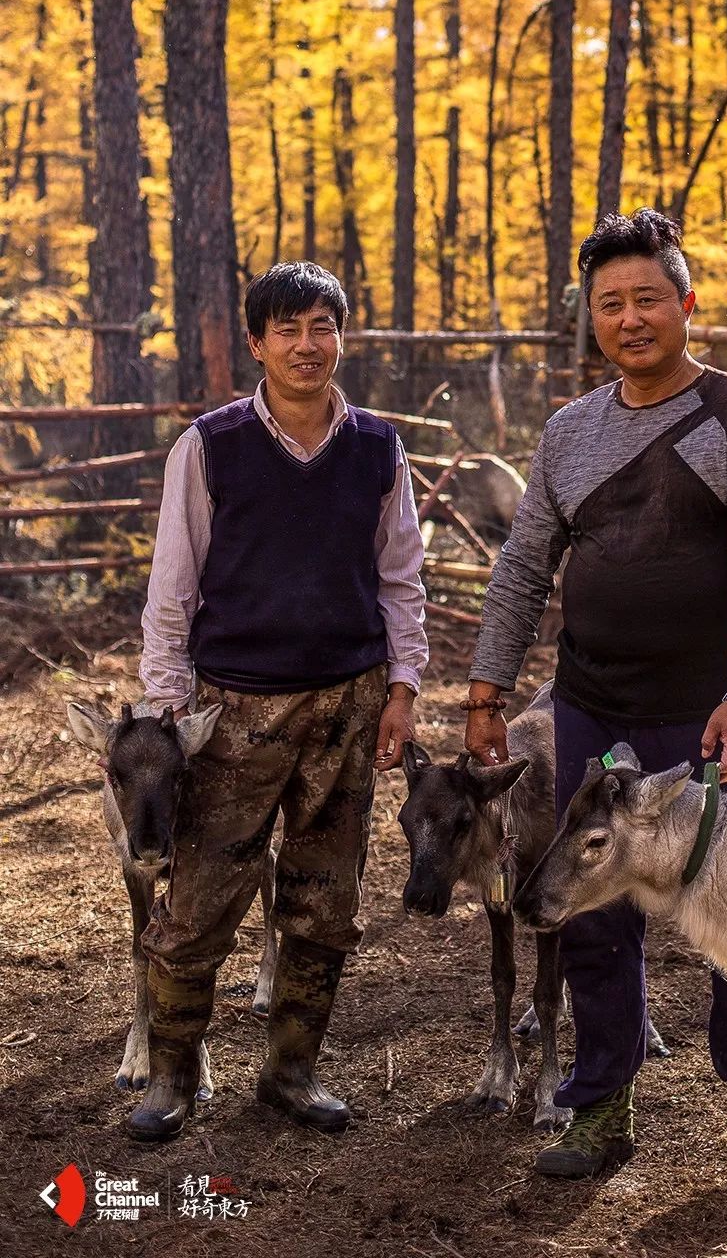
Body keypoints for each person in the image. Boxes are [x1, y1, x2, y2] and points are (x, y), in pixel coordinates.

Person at [464, 210, 727, 1191]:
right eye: (609, 304)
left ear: (686, 303)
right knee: (590, 916)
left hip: (707, 714)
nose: (630, 319)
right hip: (592, 709)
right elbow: (525, 565)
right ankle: (600, 1106)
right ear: (592, 320)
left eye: (647, 298)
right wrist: (487, 691)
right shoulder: (571, 432)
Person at [131, 261, 428, 1142]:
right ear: (255, 344)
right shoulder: (211, 446)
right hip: (231, 713)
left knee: (324, 901)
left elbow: (401, 580)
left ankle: (292, 1072)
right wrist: (166, 714)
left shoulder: (378, 447)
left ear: (343, 337)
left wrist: (404, 688)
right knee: (198, 904)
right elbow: (171, 593)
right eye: (287, 329)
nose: (307, 344)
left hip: (348, 705)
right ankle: (173, 1078)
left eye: (323, 326)